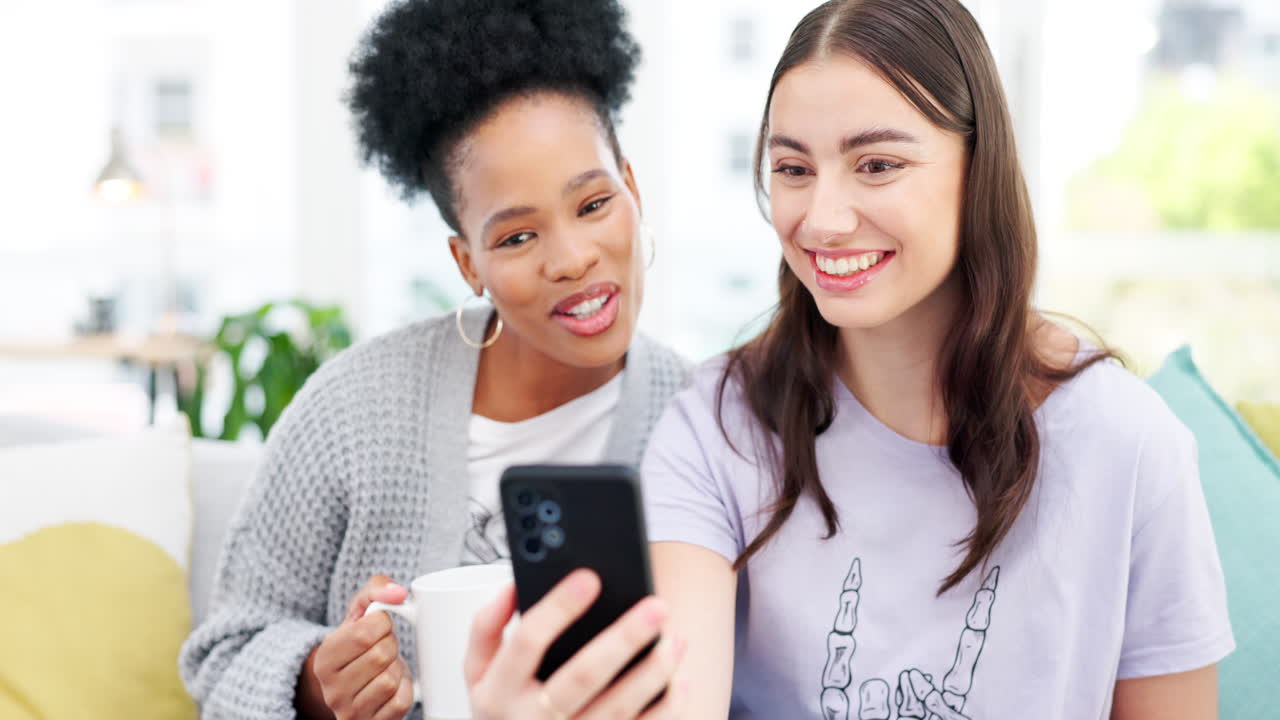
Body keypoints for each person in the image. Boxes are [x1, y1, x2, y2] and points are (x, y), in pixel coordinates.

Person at [638, 1, 1235, 718]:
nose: (822, 218)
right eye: (793, 167)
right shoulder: (717, 426)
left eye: (878, 165)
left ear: (978, 168)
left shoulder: (1129, 445)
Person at [179, 1, 689, 718]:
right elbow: (221, 655)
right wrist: (317, 684)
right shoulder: (352, 408)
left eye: (595, 203)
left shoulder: (701, 423)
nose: (572, 259)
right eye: (515, 238)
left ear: (632, 190)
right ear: (466, 261)